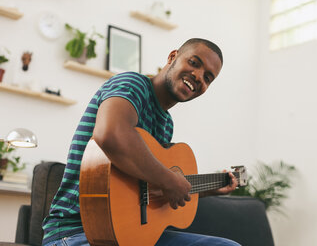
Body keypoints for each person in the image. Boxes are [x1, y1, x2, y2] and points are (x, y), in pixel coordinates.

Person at [42, 38, 240, 246]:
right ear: (173, 57)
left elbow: (148, 188)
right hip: (76, 232)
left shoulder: (166, 123)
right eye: (194, 62)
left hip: (132, 237)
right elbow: (110, 133)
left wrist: (208, 188)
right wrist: (169, 180)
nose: (199, 76)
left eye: (208, 77)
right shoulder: (132, 84)